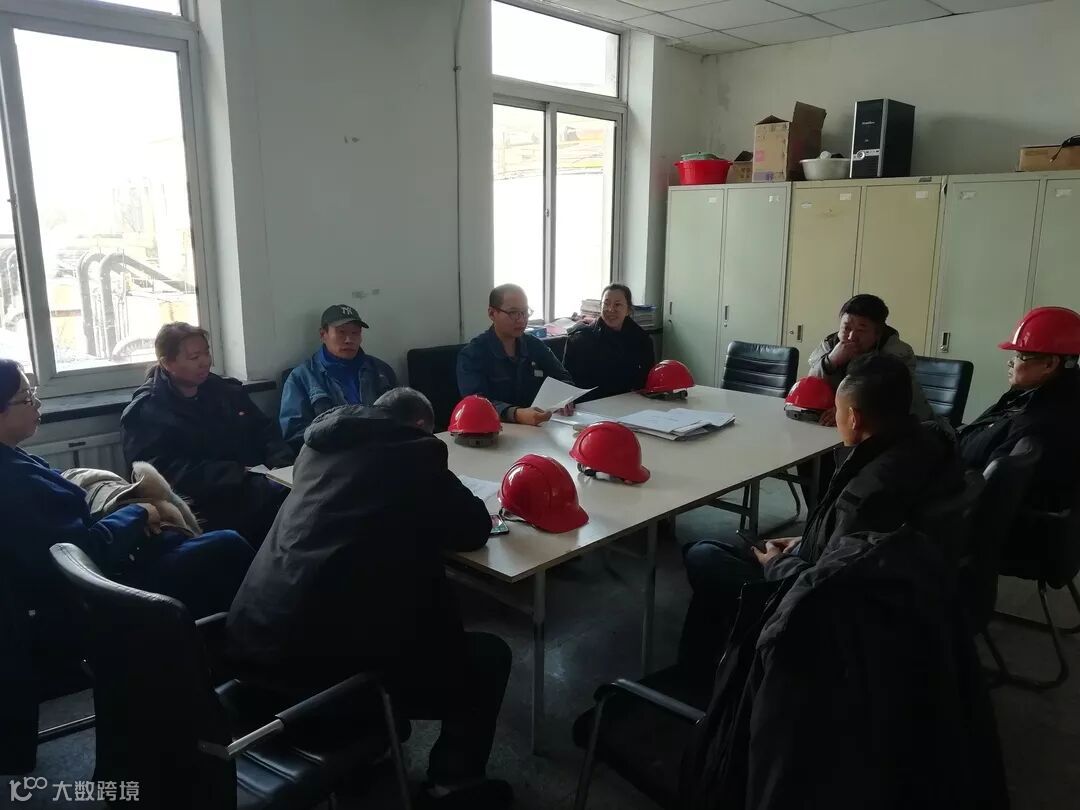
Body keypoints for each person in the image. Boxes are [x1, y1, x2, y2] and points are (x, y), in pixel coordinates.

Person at [227, 388, 512, 809]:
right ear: (420, 426)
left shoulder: (318, 447)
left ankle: (369, 757)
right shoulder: (416, 453)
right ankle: (454, 785)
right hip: (319, 686)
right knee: (488, 657)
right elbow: (472, 528)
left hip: (248, 653)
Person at [679, 353, 966, 676]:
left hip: (821, 608)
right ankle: (719, 663)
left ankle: (710, 675)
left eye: (838, 411)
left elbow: (829, 583)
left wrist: (778, 563)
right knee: (718, 552)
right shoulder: (923, 445)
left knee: (702, 554)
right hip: (898, 597)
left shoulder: (870, 489)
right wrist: (809, 538)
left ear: (854, 418)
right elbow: (853, 542)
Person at [0, 359, 254, 621]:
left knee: (177, 538)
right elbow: (85, 552)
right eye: (26, 397)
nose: (37, 403)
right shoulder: (13, 483)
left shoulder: (14, 457)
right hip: (103, 590)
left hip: (109, 562)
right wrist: (138, 512)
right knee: (228, 544)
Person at [121, 323, 296, 547]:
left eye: (206, 352)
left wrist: (281, 462)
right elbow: (159, 472)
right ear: (167, 363)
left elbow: (264, 428)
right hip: (207, 497)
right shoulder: (148, 410)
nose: (205, 362)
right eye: (194, 357)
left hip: (256, 478)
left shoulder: (222, 390)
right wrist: (234, 473)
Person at [958, 307, 1080, 559]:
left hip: (1001, 522)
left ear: (1049, 363)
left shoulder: (1036, 419)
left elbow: (979, 470)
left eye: (1020, 355)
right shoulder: (1045, 396)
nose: (1011, 362)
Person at [278, 303, 397, 450]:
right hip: (332, 454)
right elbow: (295, 434)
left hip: (383, 450)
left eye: (355, 333)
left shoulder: (381, 370)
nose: (349, 339)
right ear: (323, 335)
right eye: (341, 332)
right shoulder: (301, 377)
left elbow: (401, 414)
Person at [457, 284, 573, 426]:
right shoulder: (473, 354)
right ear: (492, 313)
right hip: (495, 429)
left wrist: (564, 396)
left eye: (525, 312)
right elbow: (475, 403)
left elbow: (562, 376)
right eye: (513, 313)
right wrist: (516, 414)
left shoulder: (534, 345)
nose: (521, 319)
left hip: (540, 426)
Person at [808, 293, 933, 424]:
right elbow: (810, 385)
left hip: (905, 426)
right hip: (841, 425)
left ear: (877, 334)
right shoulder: (830, 345)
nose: (851, 337)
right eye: (846, 328)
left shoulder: (897, 354)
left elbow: (894, 400)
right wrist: (830, 361)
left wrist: (845, 412)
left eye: (861, 330)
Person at [562, 283, 654, 402]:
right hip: (589, 405)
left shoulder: (642, 340)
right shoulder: (580, 340)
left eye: (617, 304)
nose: (610, 309)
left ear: (628, 310)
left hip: (630, 404)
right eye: (606, 304)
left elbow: (647, 382)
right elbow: (566, 383)